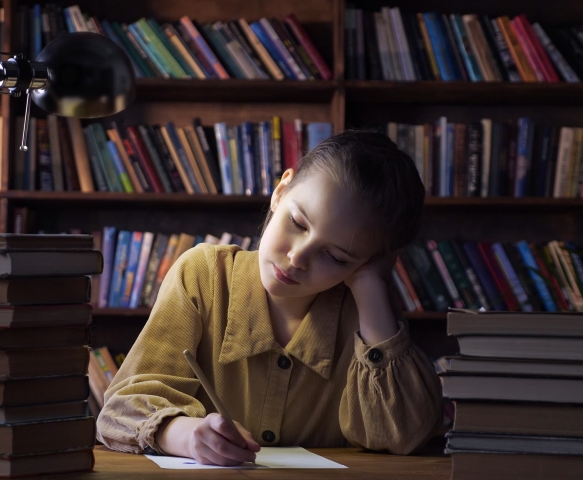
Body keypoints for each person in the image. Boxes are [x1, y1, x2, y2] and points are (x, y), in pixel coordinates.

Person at [96, 130, 443, 466]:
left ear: (369, 263)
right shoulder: (203, 275)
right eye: (298, 222)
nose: (298, 258)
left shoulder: (366, 318)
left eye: (337, 257)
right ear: (280, 191)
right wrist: (185, 434)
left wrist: (369, 285)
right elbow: (118, 410)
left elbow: (404, 435)